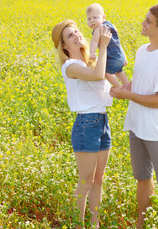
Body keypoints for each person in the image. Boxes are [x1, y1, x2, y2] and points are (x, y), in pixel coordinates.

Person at [109, 4, 158, 228]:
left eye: (148, 21)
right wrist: (121, 85)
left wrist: (127, 94)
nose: (143, 23)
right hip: (137, 125)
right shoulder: (142, 50)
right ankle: (141, 223)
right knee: (142, 178)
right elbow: (137, 84)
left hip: (157, 131)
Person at [52, 19, 113, 229]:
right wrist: (103, 45)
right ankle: (79, 226)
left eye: (76, 31)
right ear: (64, 47)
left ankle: (94, 225)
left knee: (98, 179)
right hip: (86, 124)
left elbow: (104, 78)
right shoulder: (70, 67)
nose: (76, 35)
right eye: (69, 35)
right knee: (85, 181)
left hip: (102, 121)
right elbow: (98, 76)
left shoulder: (90, 61)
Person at [86, 3, 129, 89]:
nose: (92, 21)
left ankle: (119, 88)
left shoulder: (98, 29)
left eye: (95, 17)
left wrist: (92, 52)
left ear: (103, 17)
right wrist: (124, 57)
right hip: (119, 55)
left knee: (106, 73)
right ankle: (127, 85)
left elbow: (94, 41)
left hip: (112, 57)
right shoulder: (110, 25)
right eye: (89, 19)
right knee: (119, 71)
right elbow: (117, 40)